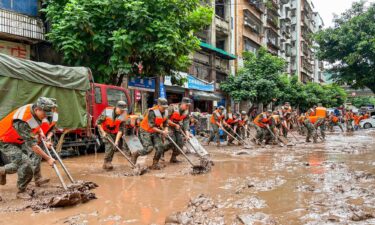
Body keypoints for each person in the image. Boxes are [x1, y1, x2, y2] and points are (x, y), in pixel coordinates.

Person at [0, 97, 56, 199]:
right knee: (25, 164)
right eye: (44, 114)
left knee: (31, 161)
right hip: (5, 139)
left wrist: (40, 131)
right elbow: (33, 145)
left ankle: (8, 175)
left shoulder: (33, 109)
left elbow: (34, 124)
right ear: (37, 109)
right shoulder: (22, 120)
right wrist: (48, 158)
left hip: (18, 138)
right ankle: (20, 191)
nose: (45, 118)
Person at [131, 98, 169, 170]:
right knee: (149, 148)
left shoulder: (166, 112)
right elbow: (152, 126)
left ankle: (155, 164)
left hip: (155, 130)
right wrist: (162, 132)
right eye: (163, 107)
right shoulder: (152, 112)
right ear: (158, 105)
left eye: (166, 107)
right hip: (145, 130)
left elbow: (165, 123)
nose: (164, 108)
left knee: (160, 146)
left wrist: (166, 130)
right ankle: (135, 154)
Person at [30, 100, 59, 187]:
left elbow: (53, 129)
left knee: (37, 159)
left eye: (53, 108)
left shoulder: (55, 116)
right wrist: (37, 137)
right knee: (30, 160)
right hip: (33, 138)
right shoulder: (39, 115)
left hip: (43, 138)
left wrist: (48, 138)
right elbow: (32, 129)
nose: (52, 110)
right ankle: (29, 180)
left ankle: (38, 179)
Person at [97, 101, 128, 170]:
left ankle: (108, 162)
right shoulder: (107, 111)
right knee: (109, 144)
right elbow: (98, 123)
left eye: (123, 110)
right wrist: (103, 132)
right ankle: (107, 162)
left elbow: (120, 131)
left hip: (113, 132)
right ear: (117, 107)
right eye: (121, 110)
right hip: (103, 129)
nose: (122, 111)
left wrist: (116, 142)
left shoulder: (123, 115)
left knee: (114, 146)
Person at [166, 97, 192, 163]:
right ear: (182, 104)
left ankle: (173, 158)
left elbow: (186, 124)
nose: (187, 107)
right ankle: (161, 153)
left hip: (177, 127)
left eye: (188, 106)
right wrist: (174, 125)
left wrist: (187, 135)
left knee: (181, 143)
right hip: (168, 126)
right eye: (186, 105)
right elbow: (165, 120)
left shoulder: (186, 112)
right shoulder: (172, 108)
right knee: (172, 142)